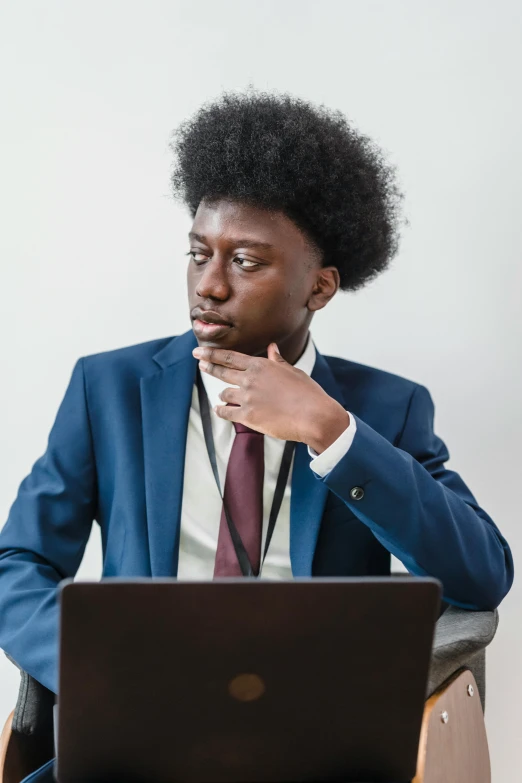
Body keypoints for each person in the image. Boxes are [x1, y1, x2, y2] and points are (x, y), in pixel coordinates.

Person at [0, 89, 514, 781]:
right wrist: (99, 666)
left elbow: (481, 573)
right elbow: (17, 564)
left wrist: (332, 431)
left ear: (320, 287)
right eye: (198, 253)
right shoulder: (109, 390)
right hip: (133, 736)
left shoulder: (382, 409)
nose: (208, 285)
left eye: (245, 261)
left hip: (319, 746)